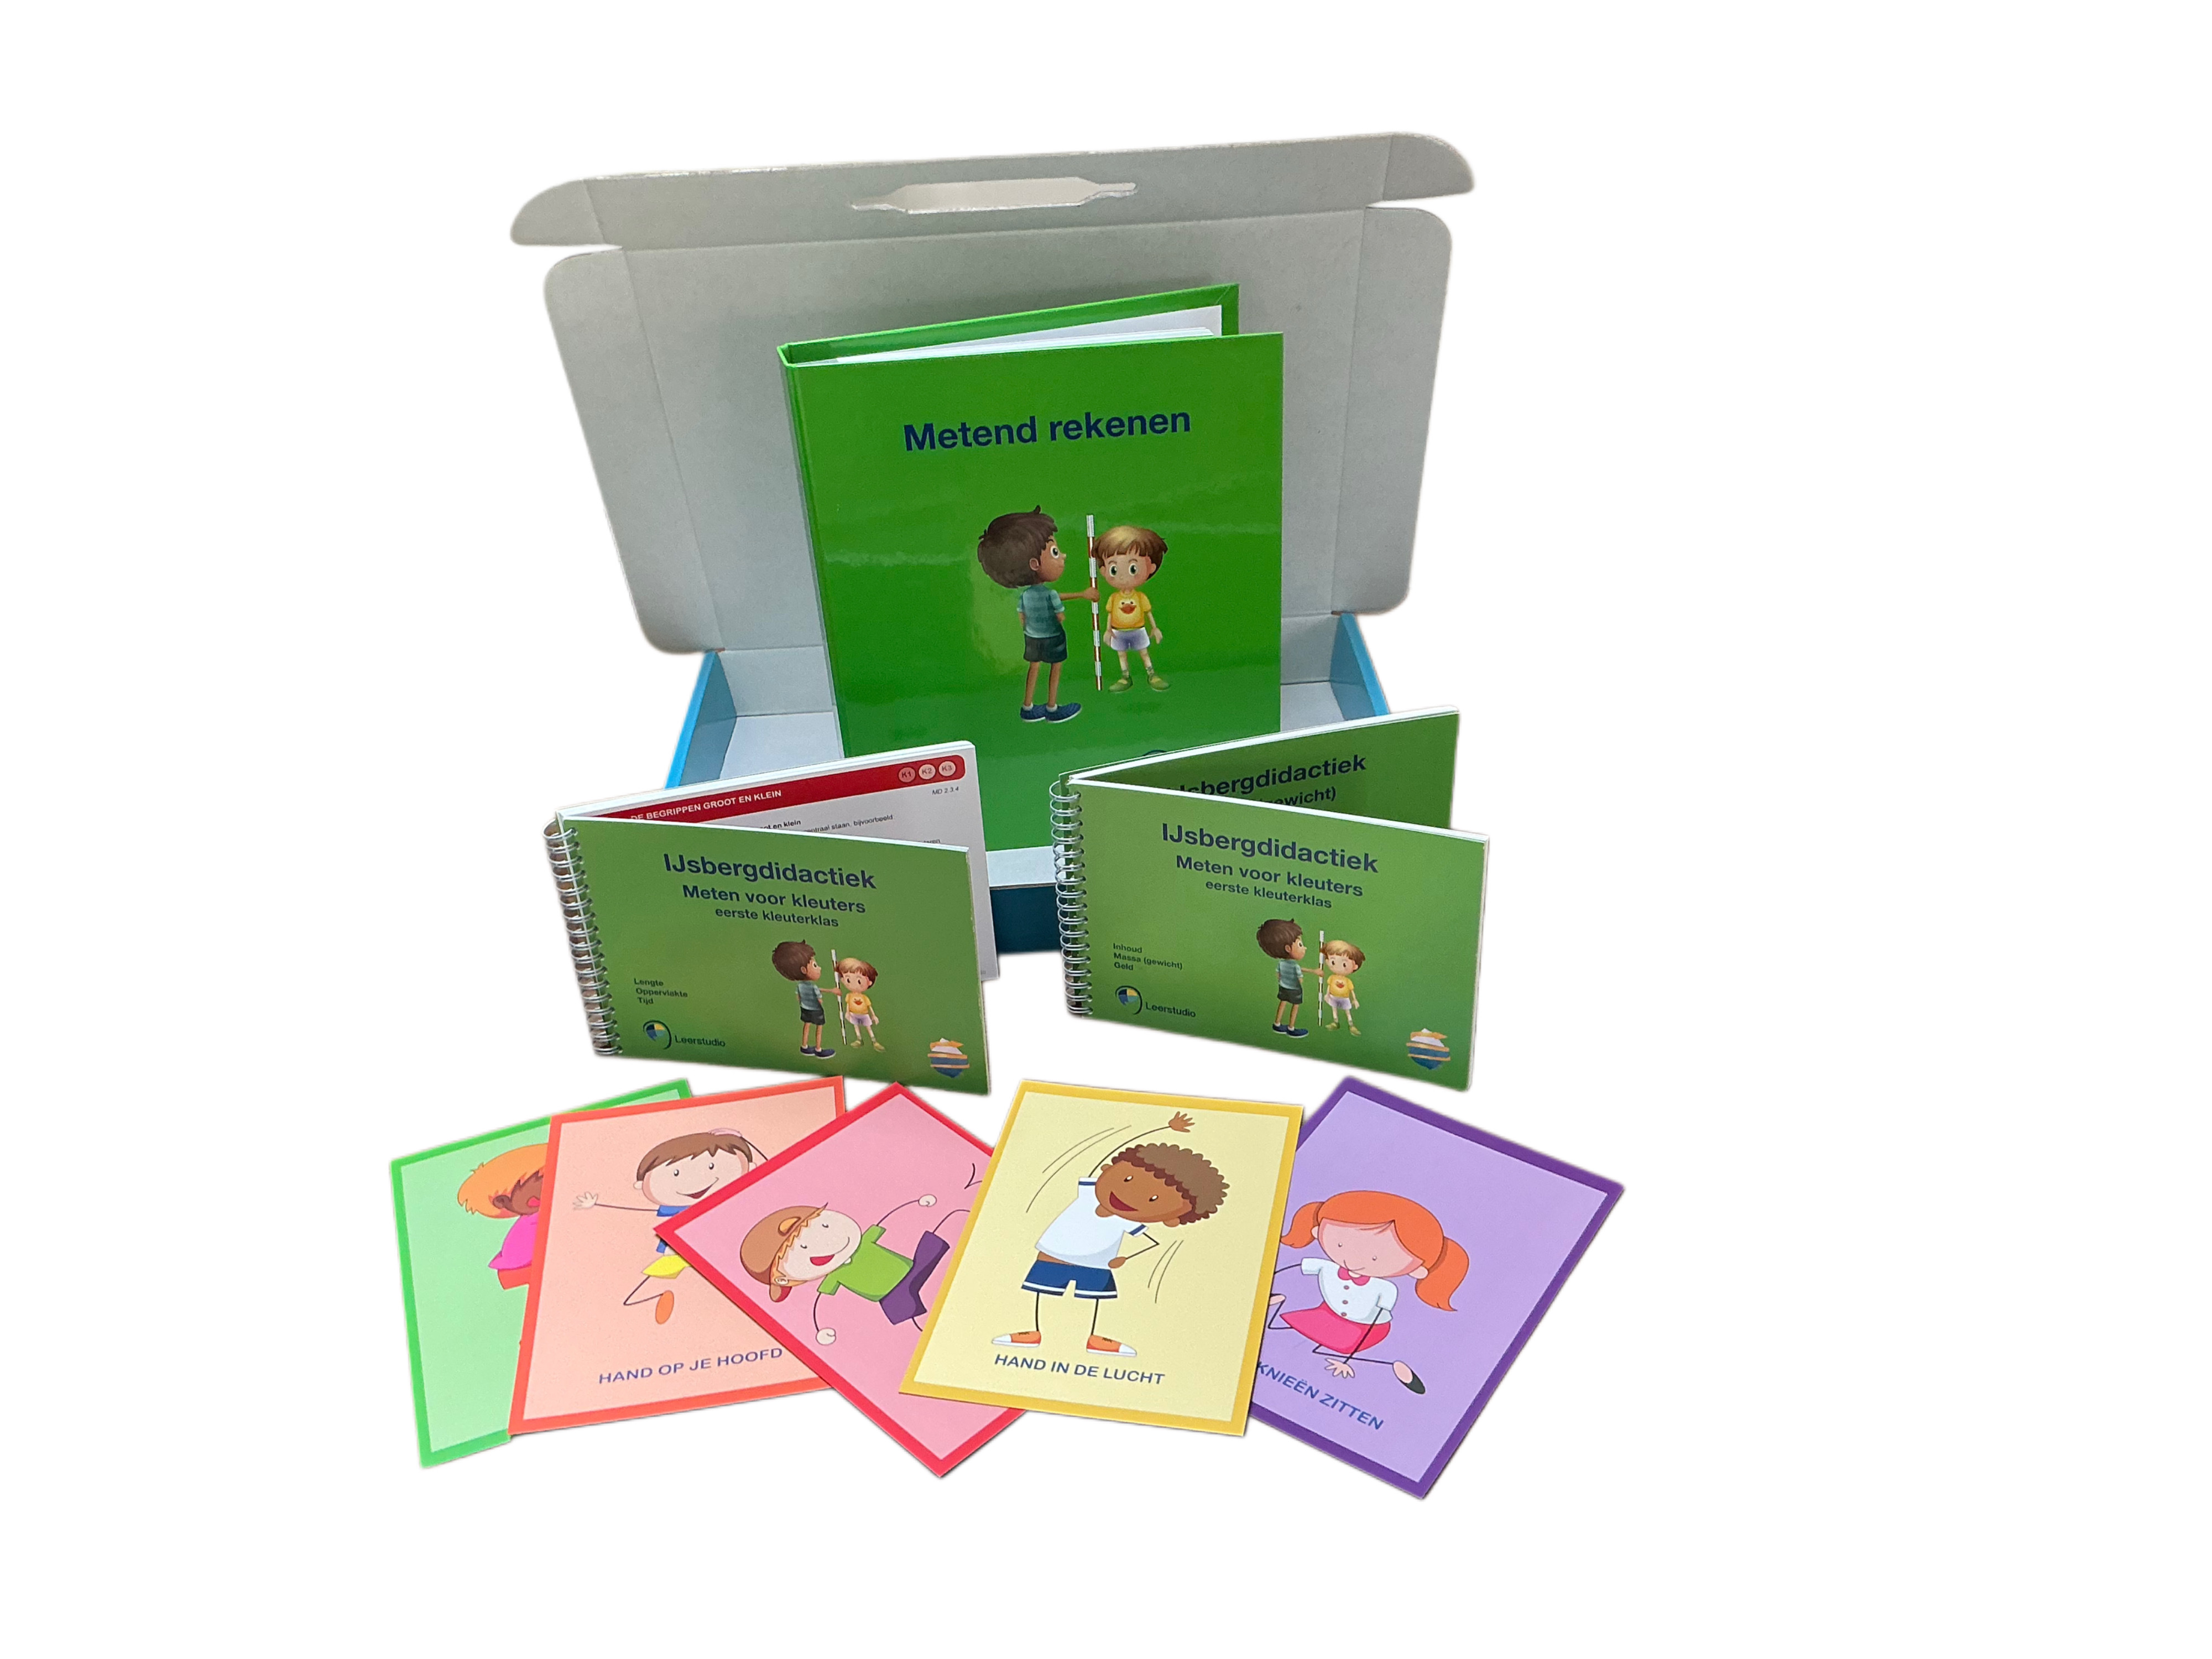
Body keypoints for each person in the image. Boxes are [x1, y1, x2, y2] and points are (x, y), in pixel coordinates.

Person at [993, 1112, 1227, 1357]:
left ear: (1171, 1220)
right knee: (1045, 1295)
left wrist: (1125, 1258)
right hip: (1054, 1257)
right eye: (1127, 1179)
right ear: (1108, 1170)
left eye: (1153, 1199)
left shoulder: (1127, 1221)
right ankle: (1035, 1332)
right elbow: (1107, 1153)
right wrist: (1164, 1128)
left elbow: (1151, 1243)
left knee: (1091, 1303)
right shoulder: (1089, 1193)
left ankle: (1093, 1339)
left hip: (1097, 1266)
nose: (1130, 1196)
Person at [1266, 1189, 1469, 1394]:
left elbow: (1378, 1317)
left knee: (1328, 1346)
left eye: (1375, 1258)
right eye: (1340, 1244)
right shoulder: (1327, 1268)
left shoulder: (1384, 1289)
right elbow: (1290, 1269)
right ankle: (1278, 1301)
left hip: (1364, 1329)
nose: (1354, 1260)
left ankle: (1395, 1368)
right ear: (1318, 1232)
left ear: (1418, 1270)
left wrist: (1348, 1360)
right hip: (1326, 1314)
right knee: (1280, 1326)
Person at [572, 1130, 764, 1324]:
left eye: (711, 1166)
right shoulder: (676, 1210)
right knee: (659, 1279)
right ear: (642, 1185)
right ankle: (654, 1297)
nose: (696, 1181)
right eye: (676, 1173)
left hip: (729, 1249)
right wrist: (596, 1205)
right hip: (680, 1251)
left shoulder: (735, 1204)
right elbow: (635, 1210)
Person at [739, 1193, 962, 1343]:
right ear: (784, 1280)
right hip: (893, 1297)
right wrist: (821, 1330)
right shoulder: (832, 1278)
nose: (825, 1243)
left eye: (825, 1225)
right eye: (803, 1247)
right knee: (927, 1328)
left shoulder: (862, 1242)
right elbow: (820, 1305)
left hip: (916, 1266)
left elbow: (883, 1225)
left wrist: (917, 1204)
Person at [975, 507, 1092, 723]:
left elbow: (1022, 614)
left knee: (1035, 666)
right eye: (1055, 552)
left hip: (1032, 637)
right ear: (1034, 564)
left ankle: (1028, 706)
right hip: (1053, 636)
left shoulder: (1026, 595)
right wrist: (1074, 603)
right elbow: (1059, 611)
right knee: (1056, 667)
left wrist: (1029, 626)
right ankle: (1052, 706)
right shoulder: (1050, 595)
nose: (1063, 556)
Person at [455, 1144, 549, 1290]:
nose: (548, 1189)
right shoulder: (534, 1221)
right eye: (539, 1186)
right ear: (503, 1202)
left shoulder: (538, 1216)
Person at [1093, 524, 1169, 691]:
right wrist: (1108, 630)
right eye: (1114, 569)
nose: (1122, 576)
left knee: (1144, 652)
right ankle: (1125, 677)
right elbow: (1110, 614)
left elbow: (1148, 613)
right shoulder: (1114, 598)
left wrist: (1155, 628)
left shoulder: (1140, 597)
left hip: (1138, 630)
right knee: (1122, 654)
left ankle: (1152, 674)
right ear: (1104, 571)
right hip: (1119, 631)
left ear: (1151, 568)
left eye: (1133, 568)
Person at [770, 940, 837, 1058]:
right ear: (804, 970)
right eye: (815, 965)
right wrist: (826, 995)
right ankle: (818, 1049)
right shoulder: (813, 987)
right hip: (816, 1010)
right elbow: (819, 997)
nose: (820, 968)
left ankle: (804, 1046)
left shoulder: (800, 986)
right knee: (819, 1028)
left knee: (807, 1025)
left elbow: (798, 997)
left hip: (805, 1009)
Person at [1256, 917, 1317, 1038]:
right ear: (1288, 949)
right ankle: (1291, 1027)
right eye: (1300, 945)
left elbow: (1278, 974)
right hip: (1295, 989)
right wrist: (1301, 981)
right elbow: (1300, 977)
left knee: (1283, 1002)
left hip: (1283, 987)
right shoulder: (1295, 966)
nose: (1305, 948)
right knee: (1295, 1006)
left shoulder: (1282, 964)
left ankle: (1277, 1024)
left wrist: (1283, 981)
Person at [834, 957, 885, 1051]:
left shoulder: (864, 998)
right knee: (856, 1026)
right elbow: (848, 1005)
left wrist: (873, 1016)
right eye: (848, 980)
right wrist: (847, 1013)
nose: (853, 984)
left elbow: (869, 1006)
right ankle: (859, 1039)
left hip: (864, 1014)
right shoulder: (849, 996)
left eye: (859, 981)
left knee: (868, 1027)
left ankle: (874, 1041)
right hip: (854, 1014)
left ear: (869, 983)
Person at [1316, 938, 1365, 1034]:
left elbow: (1351, 990)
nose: (1338, 967)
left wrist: (1354, 1000)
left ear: (1355, 967)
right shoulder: (1332, 978)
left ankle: (1351, 1025)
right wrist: (1327, 995)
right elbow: (1330, 986)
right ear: (1327, 961)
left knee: (1347, 1012)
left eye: (1344, 964)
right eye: (1333, 962)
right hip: (1334, 997)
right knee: (1334, 1010)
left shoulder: (1347, 981)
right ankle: (1336, 1022)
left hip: (1344, 998)